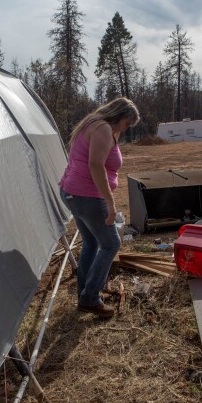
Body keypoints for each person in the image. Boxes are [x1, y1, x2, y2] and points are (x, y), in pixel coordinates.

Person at [59, 97, 140, 316]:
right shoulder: (103, 129)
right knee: (111, 244)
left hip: (73, 193)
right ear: (119, 116)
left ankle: (85, 292)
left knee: (91, 242)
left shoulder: (92, 123)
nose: (126, 128)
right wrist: (110, 203)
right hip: (87, 196)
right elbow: (95, 165)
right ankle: (90, 298)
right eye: (127, 123)